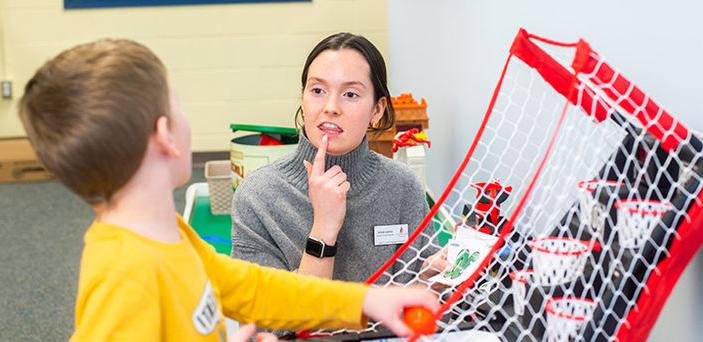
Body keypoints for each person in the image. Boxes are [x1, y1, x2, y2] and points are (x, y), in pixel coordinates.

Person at [18, 38, 439, 341]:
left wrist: (364, 303)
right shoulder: (125, 275)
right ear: (166, 134)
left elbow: (256, 289)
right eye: (178, 103)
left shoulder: (173, 238)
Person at [231, 32, 447, 283]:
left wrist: (430, 281)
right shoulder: (256, 197)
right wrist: (324, 227)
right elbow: (267, 320)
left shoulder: (403, 187)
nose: (331, 107)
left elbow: (417, 296)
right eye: (318, 90)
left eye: (351, 94)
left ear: (377, 110)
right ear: (302, 99)